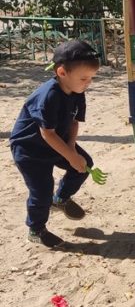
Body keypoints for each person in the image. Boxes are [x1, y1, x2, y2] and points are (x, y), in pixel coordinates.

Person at [9, 39, 101, 248]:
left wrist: (72, 150)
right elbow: (47, 133)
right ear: (62, 73)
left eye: (91, 78)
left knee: (84, 165)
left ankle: (60, 199)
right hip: (30, 150)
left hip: (57, 142)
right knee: (41, 191)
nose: (88, 83)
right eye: (84, 78)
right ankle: (36, 229)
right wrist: (70, 155)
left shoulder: (78, 92)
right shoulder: (48, 95)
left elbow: (74, 122)